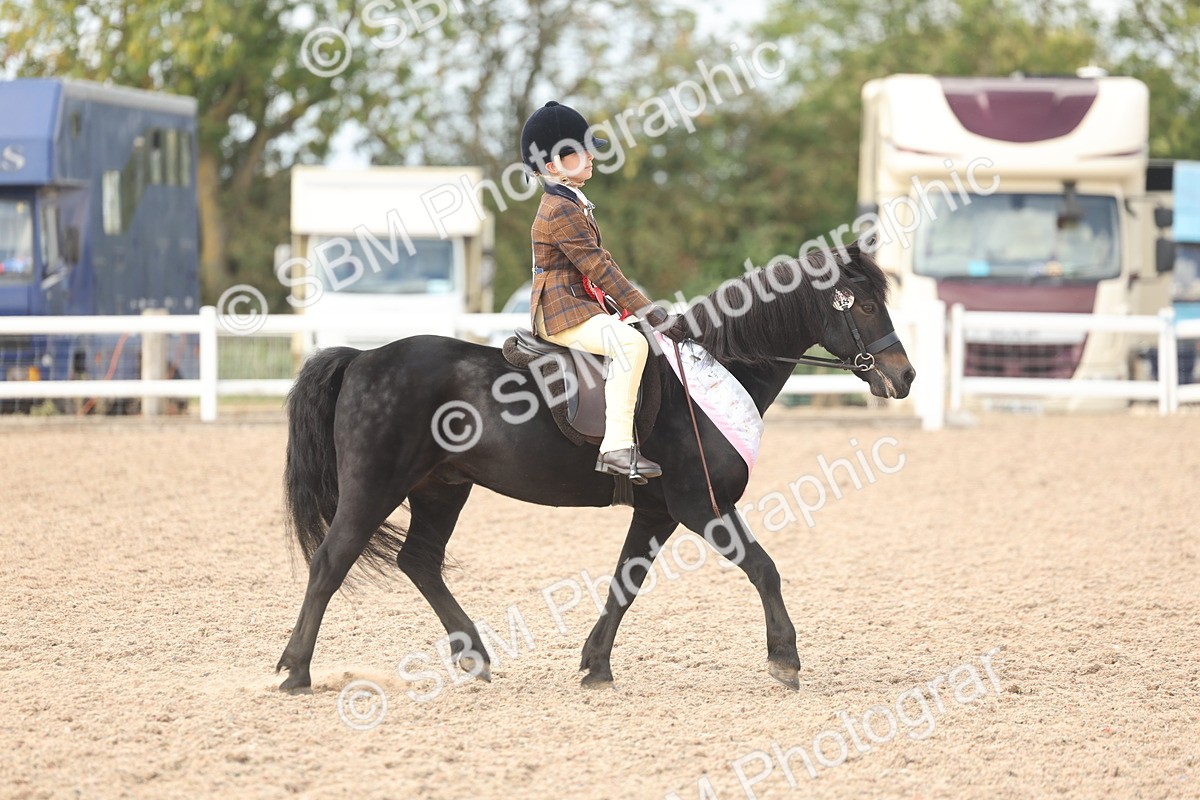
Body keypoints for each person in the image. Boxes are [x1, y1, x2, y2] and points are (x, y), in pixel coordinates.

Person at [520, 100, 687, 482]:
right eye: (580, 151)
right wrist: (649, 311)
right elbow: (598, 266)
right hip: (560, 311)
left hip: (577, 305)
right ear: (552, 166)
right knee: (632, 345)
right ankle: (615, 447)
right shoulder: (559, 210)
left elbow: (600, 266)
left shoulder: (571, 201)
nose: (591, 156)